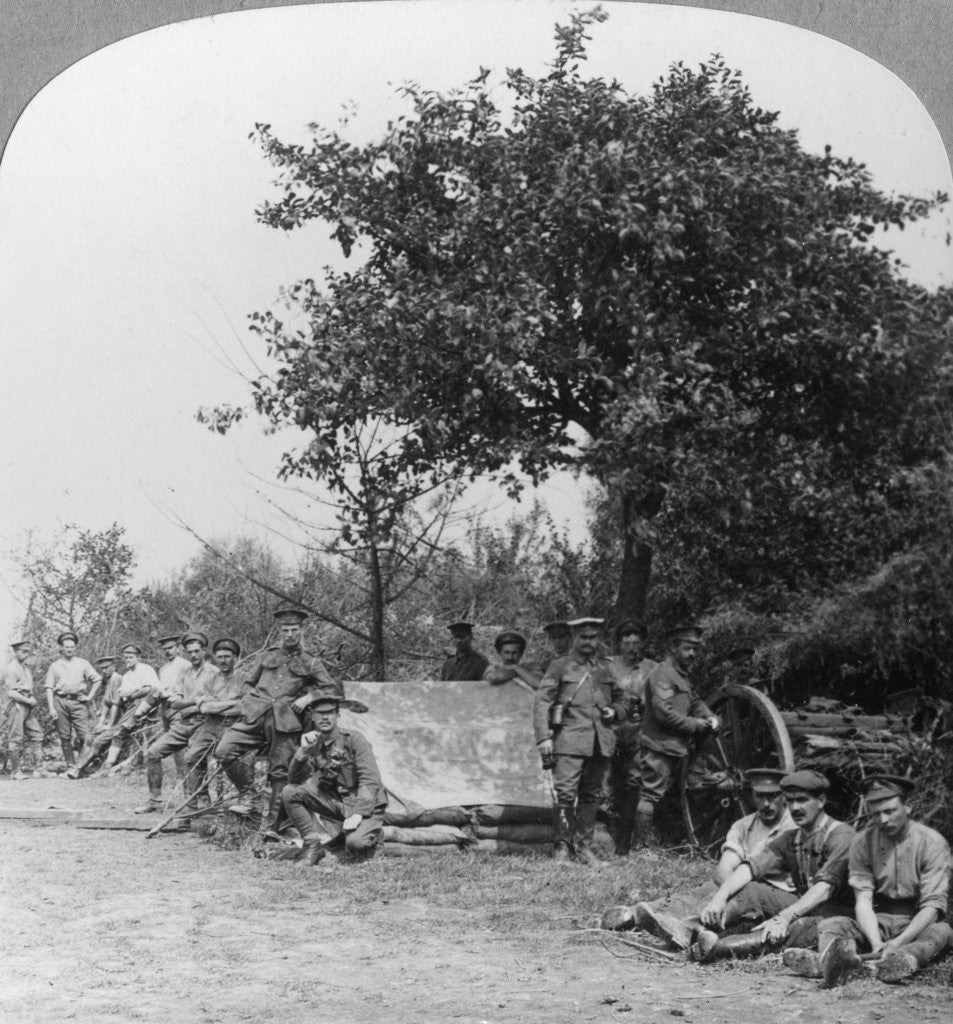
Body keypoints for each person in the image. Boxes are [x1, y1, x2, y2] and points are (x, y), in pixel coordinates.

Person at [785, 774, 953, 986]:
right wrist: (875, 942)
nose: (883, 820)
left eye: (890, 811)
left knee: (942, 932)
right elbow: (863, 901)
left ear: (907, 807)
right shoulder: (862, 842)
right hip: (877, 919)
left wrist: (898, 942)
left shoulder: (932, 843)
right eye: (876, 814)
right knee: (832, 924)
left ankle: (903, 960)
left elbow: (933, 906)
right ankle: (829, 962)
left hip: (916, 919)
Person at [689, 769, 854, 963]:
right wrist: (720, 897)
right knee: (750, 889)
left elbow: (824, 889)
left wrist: (784, 917)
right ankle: (702, 929)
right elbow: (749, 868)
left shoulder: (840, 836)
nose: (795, 807)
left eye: (802, 800)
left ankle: (717, 949)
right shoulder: (792, 838)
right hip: (806, 907)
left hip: (840, 917)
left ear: (821, 801)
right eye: (790, 801)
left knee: (794, 929)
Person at [634, 768, 796, 949]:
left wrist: (729, 894)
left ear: (784, 797)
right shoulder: (744, 825)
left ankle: (689, 928)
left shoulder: (795, 827)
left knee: (745, 891)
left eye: (773, 796)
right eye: (760, 796)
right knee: (708, 887)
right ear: (751, 795)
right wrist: (727, 891)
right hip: (746, 891)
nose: (766, 804)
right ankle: (642, 914)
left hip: (783, 898)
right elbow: (723, 869)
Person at [216, 606, 337, 828]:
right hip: (254, 717)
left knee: (280, 772)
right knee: (223, 751)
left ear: (301, 631)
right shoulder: (267, 655)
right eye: (285, 630)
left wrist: (310, 697)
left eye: (294, 630)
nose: (290, 635)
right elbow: (248, 683)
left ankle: (274, 825)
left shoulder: (311, 662)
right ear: (279, 632)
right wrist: (250, 700)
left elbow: (332, 689)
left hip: (285, 722)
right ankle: (248, 795)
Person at [533, 617, 626, 866]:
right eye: (583, 637)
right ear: (574, 638)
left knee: (591, 796)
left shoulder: (606, 668)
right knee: (565, 794)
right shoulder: (560, 666)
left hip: (600, 741)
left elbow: (622, 700)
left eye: (592, 637)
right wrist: (543, 737)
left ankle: (583, 848)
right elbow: (543, 702)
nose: (588, 642)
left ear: (599, 639)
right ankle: (562, 850)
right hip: (570, 741)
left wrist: (614, 711)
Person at [282, 684, 387, 865]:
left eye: (330, 713)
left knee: (356, 844)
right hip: (339, 804)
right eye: (320, 714)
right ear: (312, 717)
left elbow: (370, 779)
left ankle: (374, 833)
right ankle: (312, 845)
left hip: (364, 805)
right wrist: (303, 751)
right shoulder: (313, 744)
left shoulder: (354, 739)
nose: (325, 717)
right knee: (290, 792)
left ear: (337, 716)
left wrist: (358, 813)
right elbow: (294, 780)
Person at [637, 624, 718, 849]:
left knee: (672, 798)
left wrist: (709, 716)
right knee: (650, 795)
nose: (692, 654)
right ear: (673, 647)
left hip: (678, 747)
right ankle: (642, 848)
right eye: (687, 648)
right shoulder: (662, 674)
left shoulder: (682, 676)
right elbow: (664, 713)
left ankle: (670, 842)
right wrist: (696, 724)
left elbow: (695, 701)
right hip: (659, 747)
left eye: (695, 649)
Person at [136, 631, 220, 815]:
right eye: (190, 652)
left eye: (197, 651)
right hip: (184, 722)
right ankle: (155, 800)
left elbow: (215, 701)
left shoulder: (215, 672)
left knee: (193, 755)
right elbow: (176, 702)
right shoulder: (184, 673)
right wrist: (195, 701)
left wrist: (197, 703)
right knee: (152, 753)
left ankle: (201, 800)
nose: (193, 655)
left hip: (206, 722)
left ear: (204, 651)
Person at [69, 644, 161, 778]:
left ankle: (92, 768)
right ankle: (83, 767)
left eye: (131, 657)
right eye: (126, 658)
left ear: (138, 657)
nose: (128, 660)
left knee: (110, 736)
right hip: (130, 707)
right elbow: (122, 695)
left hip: (144, 706)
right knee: (100, 737)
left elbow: (152, 689)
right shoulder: (127, 675)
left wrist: (134, 692)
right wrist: (135, 692)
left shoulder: (146, 669)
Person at [608, 620, 657, 856]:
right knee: (609, 782)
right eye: (627, 643)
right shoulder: (608, 666)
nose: (631, 648)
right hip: (612, 735)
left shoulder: (653, 669)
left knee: (633, 784)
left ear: (644, 644)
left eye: (636, 643)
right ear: (619, 644)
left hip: (638, 736)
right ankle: (603, 839)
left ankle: (625, 843)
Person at [182, 637, 246, 814]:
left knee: (227, 755)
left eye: (227, 656)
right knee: (191, 756)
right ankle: (192, 805)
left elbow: (245, 707)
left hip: (235, 726)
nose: (223, 660)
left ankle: (247, 797)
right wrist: (231, 703)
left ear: (235, 658)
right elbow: (204, 707)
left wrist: (218, 705)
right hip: (211, 725)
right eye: (219, 657)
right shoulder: (210, 680)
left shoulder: (244, 679)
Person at [44, 631, 102, 769]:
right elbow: (49, 688)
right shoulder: (55, 666)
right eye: (67, 647)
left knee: (85, 735)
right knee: (65, 736)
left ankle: (80, 766)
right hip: (60, 701)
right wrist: (51, 708)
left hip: (78, 702)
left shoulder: (82, 663)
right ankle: (70, 765)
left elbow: (97, 679)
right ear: (61, 648)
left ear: (75, 648)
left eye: (72, 647)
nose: (70, 649)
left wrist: (89, 696)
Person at [2, 640, 44, 778]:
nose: (26, 654)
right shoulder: (11, 668)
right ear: (15, 652)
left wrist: (30, 700)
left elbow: (27, 687)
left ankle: (38, 769)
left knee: (37, 734)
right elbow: (11, 692)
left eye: (27, 652)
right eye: (23, 651)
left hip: (27, 704)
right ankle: (15, 771)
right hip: (16, 705)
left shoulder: (25, 668)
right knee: (15, 738)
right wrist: (27, 700)